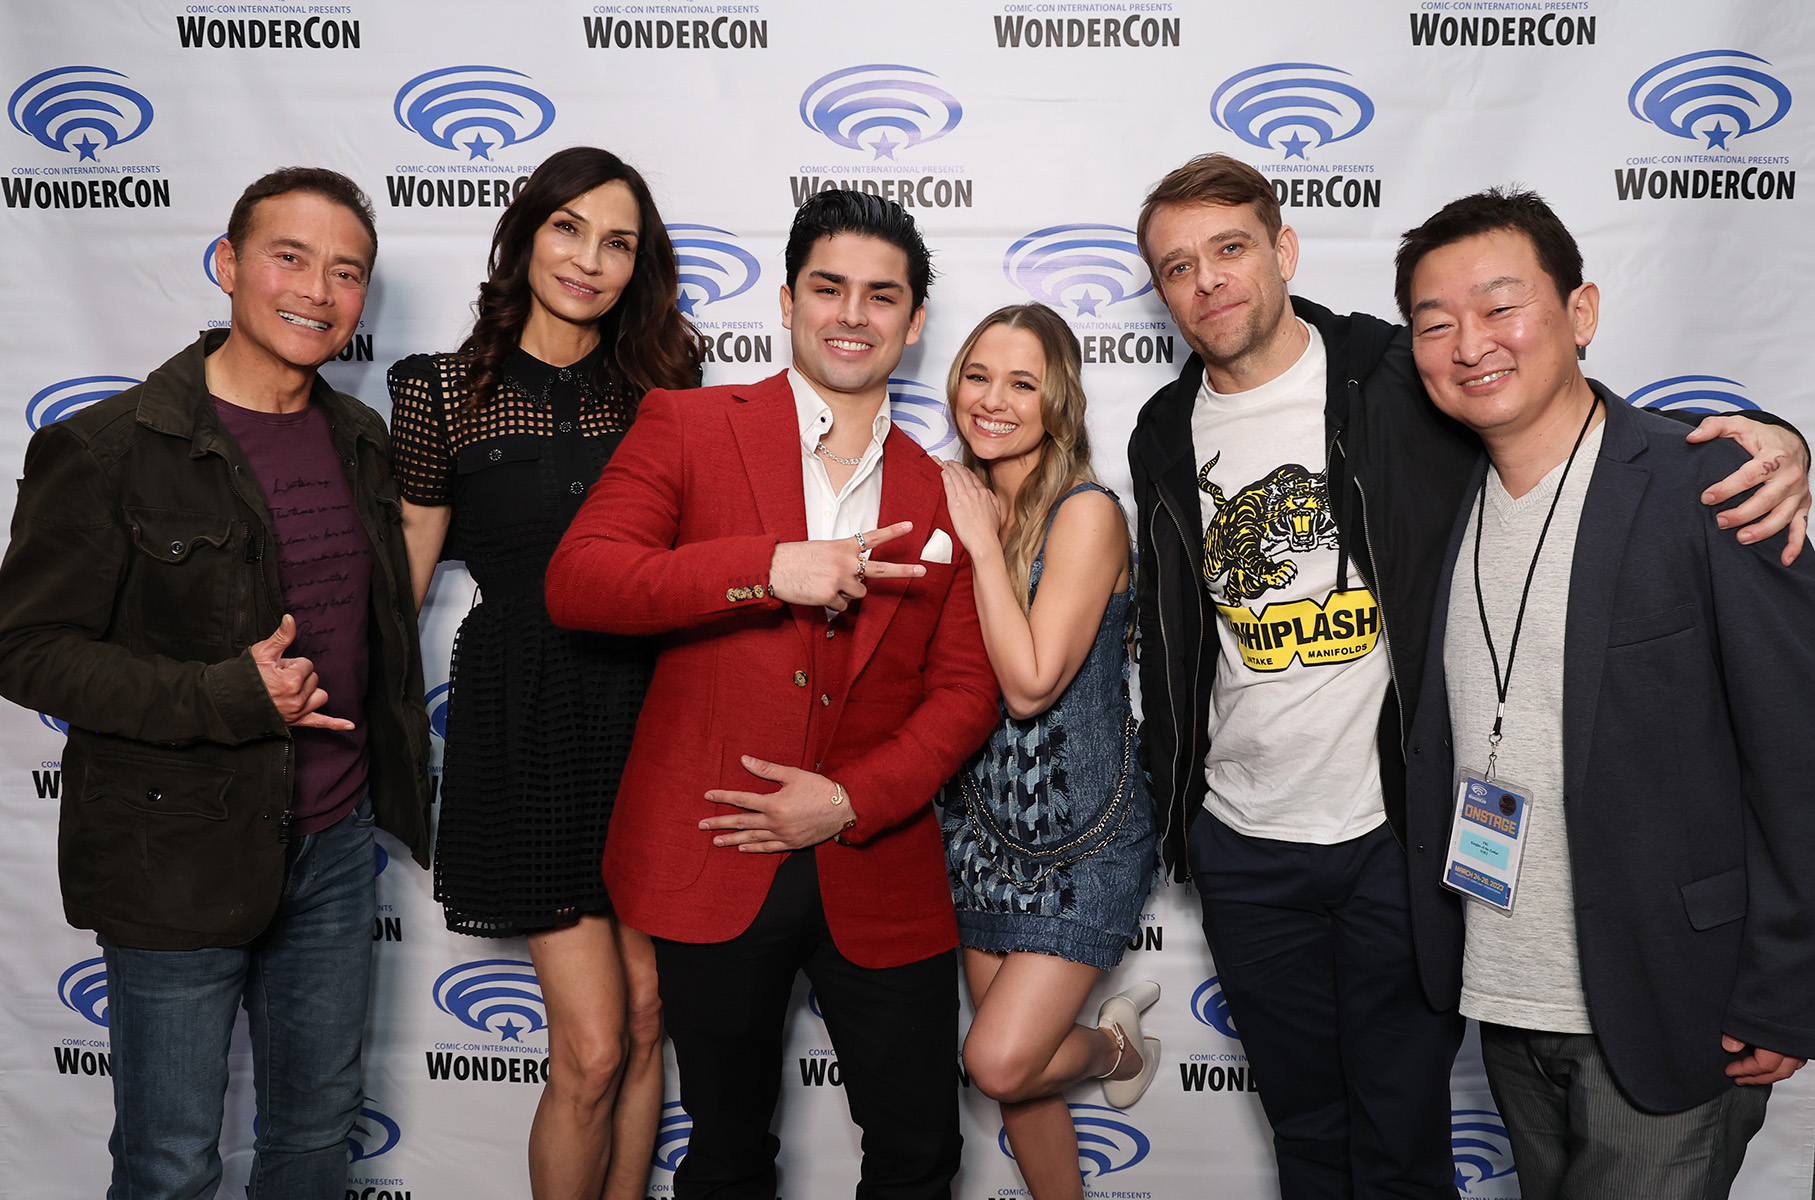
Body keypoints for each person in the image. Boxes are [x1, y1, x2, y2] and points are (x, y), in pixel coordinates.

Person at [1125, 153, 1811, 1200]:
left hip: (1403, 847)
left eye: (1230, 248)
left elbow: (1570, 421)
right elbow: (1179, 631)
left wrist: (1774, 443)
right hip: (1294, 862)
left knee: (1403, 1141)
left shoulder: (1397, 376)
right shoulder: (1166, 433)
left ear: (1284, 251)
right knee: (1309, 1130)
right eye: (1178, 266)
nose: (1208, 280)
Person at [543, 189, 999, 1200]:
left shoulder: (943, 488)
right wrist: (768, 568)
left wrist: (848, 800)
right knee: (728, 1155)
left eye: (882, 297)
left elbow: (966, 692)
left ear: (915, 322)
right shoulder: (690, 425)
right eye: (829, 287)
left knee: (922, 1151)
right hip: (718, 853)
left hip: (878, 864)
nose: (852, 313)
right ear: (789, 300)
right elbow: (581, 582)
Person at [0, 168, 432, 1197]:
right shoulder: (108, 448)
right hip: (173, 848)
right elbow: (24, 647)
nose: (318, 292)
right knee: (169, 1162)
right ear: (229, 265)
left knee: (314, 1140)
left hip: (331, 847)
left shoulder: (361, 441)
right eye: (289, 257)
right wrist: (223, 697)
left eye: (346, 272)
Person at [1397, 188, 1814, 1200]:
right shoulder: (1440, 488)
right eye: (1435, 322)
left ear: (1580, 313)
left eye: (1502, 307)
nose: (1470, 344)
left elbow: (1802, 751)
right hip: (1502, 994)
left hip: (1673, 999)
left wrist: (1786, 988)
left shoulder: (1707, 483)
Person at [387, 146, 698, 1200]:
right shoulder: (438, 391)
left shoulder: (668, 390)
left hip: (653, 719)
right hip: (525, 719)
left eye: (619, 243)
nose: (590, 260)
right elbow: (405, 584)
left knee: (652, 1018)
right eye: (569, 228)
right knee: (595, 1048)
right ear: (525, 236)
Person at [936, 303, 1161, 1200]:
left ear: (1057, 402)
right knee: (1021, 1086)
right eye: (977, 375)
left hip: (1083, 842)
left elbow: (1029, 683)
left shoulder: (1088, 513)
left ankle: (1115, 1046)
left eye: (1021, 383)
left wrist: (981, 547)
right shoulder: (963, 497)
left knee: (996, 1060)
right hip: (981, 832)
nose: (992, 399)